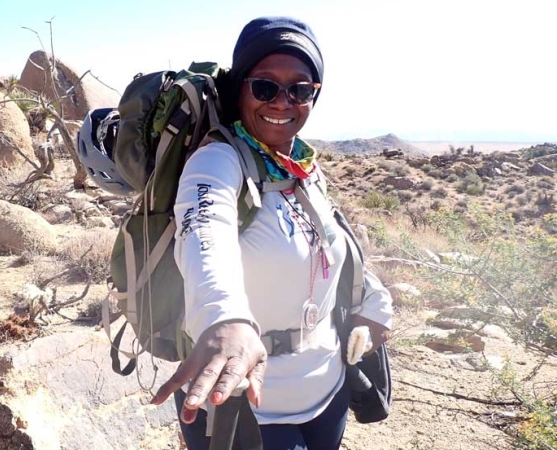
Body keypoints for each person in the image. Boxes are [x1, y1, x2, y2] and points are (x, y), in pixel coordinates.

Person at [149, 17, 394, 450]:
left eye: (300, 89)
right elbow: (205, 235)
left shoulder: (300, 166)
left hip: (326, 393)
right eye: (265, 87)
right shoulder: (216, 162)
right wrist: (224, 318)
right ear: (240, 88)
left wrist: (374, 301)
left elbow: (327, 245)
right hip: (245, 407)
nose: (283, 102)